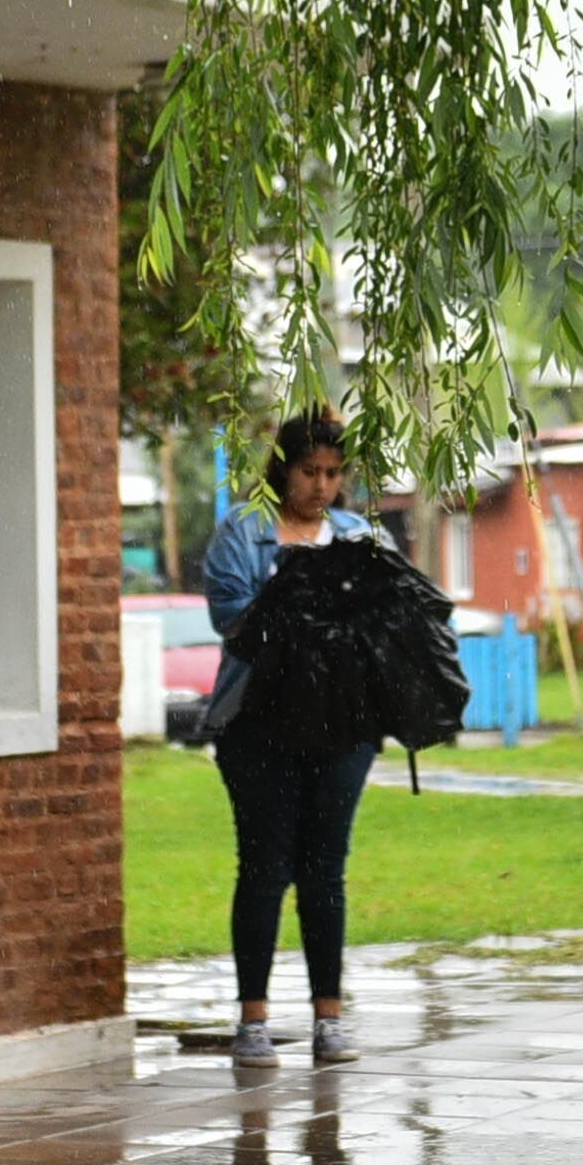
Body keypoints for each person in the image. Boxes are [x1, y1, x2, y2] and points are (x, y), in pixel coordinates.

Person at [200, 411, 383, 1065]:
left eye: (332, 473)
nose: (321, 486)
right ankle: (253, 1022)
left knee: (325, 870)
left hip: (343, 727)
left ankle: (329, 1018)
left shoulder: (359, 535)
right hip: (258, 726)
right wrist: (301, 596)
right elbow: (232, 618)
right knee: (265, 867)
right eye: (309, 471)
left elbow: (385, 619)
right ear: (282, 469)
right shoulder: (242, 532)